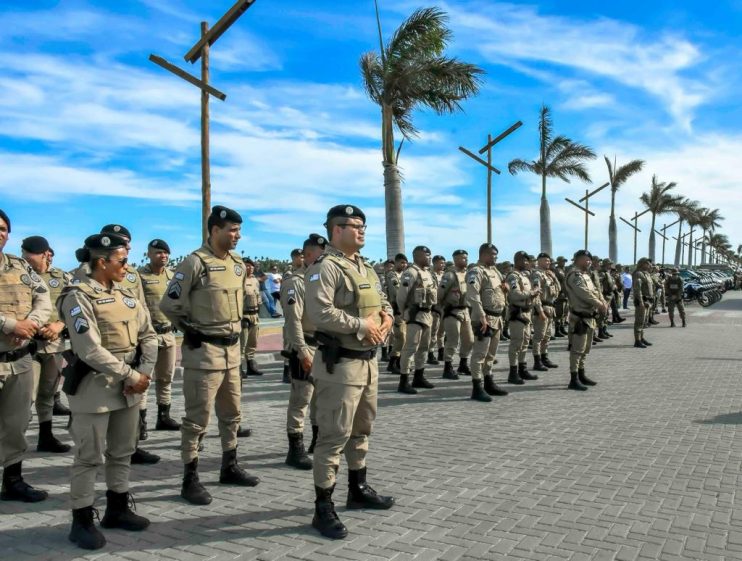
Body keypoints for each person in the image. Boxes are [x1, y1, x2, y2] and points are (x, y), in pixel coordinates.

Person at [58, 232, 157, 550]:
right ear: (102, 262)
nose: (127, 266)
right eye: (122, 260)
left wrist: (142, 373)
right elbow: (88, 350)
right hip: (94, 390)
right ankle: (82, 521)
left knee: (122, 451)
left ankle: (117, 508)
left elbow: (149, 333)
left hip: (128, 388)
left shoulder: (127, 293)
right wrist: (130, 374)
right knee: (88, 457)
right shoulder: (77, 296)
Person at [305, 204, 395, 540]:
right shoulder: (324, 267)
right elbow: (319, 312)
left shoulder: (365, 268)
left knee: (362, 430)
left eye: (363, 225)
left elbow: (383, 302)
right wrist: (360, 326)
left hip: (368, 362)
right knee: (333, 437)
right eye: (353, 225)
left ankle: (357, 489)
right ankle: (322, 507)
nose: (361, 230)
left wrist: (386, 320)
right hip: (339, 364)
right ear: (335, 229)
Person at [160, 205, 260, 506]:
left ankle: (229, 466)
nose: (237, 236)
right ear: (214, 230)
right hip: (204, 353)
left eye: (239, 231)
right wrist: (189, 329)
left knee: (231, 414)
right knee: (197, 419)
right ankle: (189, 478)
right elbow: (169, 304)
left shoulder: (238, 264)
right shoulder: (194, 263)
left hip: (232, 352)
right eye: (231, 230)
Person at [0, 209, 52, 503]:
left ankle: (13, 480)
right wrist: (10, 324)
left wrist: (31, 322)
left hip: (19, 359)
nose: (0, 233)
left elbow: (43, 297)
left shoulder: (20, 267)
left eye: (4, 228)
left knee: (16, 423)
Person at [96, 225, 157, 464]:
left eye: (129, 242)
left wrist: (144, 353)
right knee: (96, 416)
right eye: (123, 242)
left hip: (131, 350)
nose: (128, 247)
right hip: (101, 360)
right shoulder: (83, 274)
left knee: (134, 400)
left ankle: (132, 444)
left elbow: (140, 308)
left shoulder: (131, 274)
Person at [20, 236, 71, 453]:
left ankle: (46, 436)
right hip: (25, 346)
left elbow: (76, 307)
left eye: (29, 256)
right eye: (23, 255)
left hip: (54, 345)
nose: (25, 260)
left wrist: (60, 324)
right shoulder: (19, 276)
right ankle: (15, 442)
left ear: (45, 255)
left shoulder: (62, 277)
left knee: (48, 394)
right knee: (25, 398)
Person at [281, 235, 326, 470]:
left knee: (320, 398)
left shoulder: (320, 280)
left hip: (322, 346)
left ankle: (317, 441)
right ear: (308, 255)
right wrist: (301, 351)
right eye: (321, 252)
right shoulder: (295, 283)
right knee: (301, 400)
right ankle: (295, 448)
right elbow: (293, 322)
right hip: (305, 346)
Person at [137, 239, 180, 431]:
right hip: (148, 336)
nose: (163, 256)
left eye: (165, 253)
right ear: (148, 254)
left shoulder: (173, 276)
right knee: (145, 379)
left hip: (169, 334)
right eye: (158, 253)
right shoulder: (140, 277)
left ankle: (164, 417)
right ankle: (140, 422)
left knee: (165, 379)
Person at [465, 243, 509, 401]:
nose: (495, 257)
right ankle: (477, 387)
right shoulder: (476, 271)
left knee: (491, 354)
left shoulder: (495, 271)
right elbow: (472, 293)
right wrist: (480, 314)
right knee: (479, 354)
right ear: (483, 254)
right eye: (491, 254)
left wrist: (505, 289)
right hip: (485, 318)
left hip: (497, 317)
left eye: (496, 254)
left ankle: (489, 382)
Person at [564, 249, 607, 391]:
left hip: (589, 317)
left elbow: (595, 290)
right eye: (585, 259)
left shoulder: (586, 275)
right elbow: (584, 293)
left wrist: (602, 301)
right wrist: (599, 304)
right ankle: (573, 378)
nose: (588, 262)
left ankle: (581, 374)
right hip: (579, 317)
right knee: (577, 350)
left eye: (589, 259)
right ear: (577, 260)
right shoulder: (574, 275)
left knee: (585, 349)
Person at [396, 246, 437, 394]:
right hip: (415, 315)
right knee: (410, 348)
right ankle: (404, 380)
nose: (429, 257)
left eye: (430, 254)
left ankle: (419, 376)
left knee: (424, 347)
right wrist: (403, 312)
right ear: (417, 256)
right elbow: (401, 296)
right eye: (427, 255)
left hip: (427, 314)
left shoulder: (427, 273)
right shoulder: (411, 273)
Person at [438, 250, 474, 380]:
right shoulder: (450, 275)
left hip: (465, 310)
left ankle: (463, 364)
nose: (466, 260)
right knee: (453, 340)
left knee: (469, 339)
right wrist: (444, 307)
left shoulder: (468, 274)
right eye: (463, 258)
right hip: (452, 311)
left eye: (466, 258)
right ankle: (447, 367)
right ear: (455, 260)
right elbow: (440, 294)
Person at [506, 251, 540, 385]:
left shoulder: (525, 276)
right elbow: (515, 294)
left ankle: (522, 369)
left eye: (528, 260)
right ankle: (513, 372)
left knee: (525, 342)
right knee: (516, 343)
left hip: (527, 312)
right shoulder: (513, 277)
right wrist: (532, 293)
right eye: (524, 260)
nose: (527, 263)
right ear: (517, 261)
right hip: (517, 313)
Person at [530, 252, 560, 371]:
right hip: (542, 307)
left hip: (550, 308)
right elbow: (536, 294)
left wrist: (554, 277)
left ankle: (544, 358)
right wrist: (540, 311)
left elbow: (558, 289)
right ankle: (537, 361)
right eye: (545, 260)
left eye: (549, 261)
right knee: (538, 337)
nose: (548, 262)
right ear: (539, 261)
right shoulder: (537, 274)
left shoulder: (548, 274)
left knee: (547, 336)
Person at [240, 257, 264, 377]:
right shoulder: (239, 280)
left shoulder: (255, 280)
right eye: (247, 265)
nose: (250, 268)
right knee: (241, 343)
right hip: (244, 315)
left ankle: (250, 365)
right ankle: (238, 367)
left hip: (254, 314)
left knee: (252, 342)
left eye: (251, 265)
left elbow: (258, 296)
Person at [384, 253, 407, 375]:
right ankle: (392, 362)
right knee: (401, 336)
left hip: (405, 309)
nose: (403, 265)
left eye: (405, 263)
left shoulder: (405, 275)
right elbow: (397, 291)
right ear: (396, 262)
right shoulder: (392, 275)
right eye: (401, 262)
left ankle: (398, 362)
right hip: (397, 308)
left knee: (405, 337)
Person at [426, 255, 446, 365]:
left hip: (443, 306)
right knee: (433, 331)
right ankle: (430, 353)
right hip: (434, 307)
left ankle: (441, 351)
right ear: (434, 263)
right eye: (440, 263)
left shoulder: (444, 275)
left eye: (443, 263)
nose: (442, 265)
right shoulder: (429, 275)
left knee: (442, 331)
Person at [632, 258, 653, 348]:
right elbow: (637, 290)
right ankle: (637, 341)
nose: (649, 265)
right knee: (639, 321)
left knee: (643, 321)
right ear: (642, 264)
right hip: (642, 301)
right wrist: (640, 302)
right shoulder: (638, 274)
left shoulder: (646, 274)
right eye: (647, 264)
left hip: (647, 301)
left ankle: (641, 338)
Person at [552, 256, 569, 337]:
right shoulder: (557, 270)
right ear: (558, 262)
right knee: (559, 313)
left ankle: (562, 328)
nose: (563, 263)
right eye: (562, 261)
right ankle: (557, 330)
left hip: (565, 294)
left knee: (564, 313)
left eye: (564, 261)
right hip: (560, 294)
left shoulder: (564, 270)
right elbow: (562, 279)